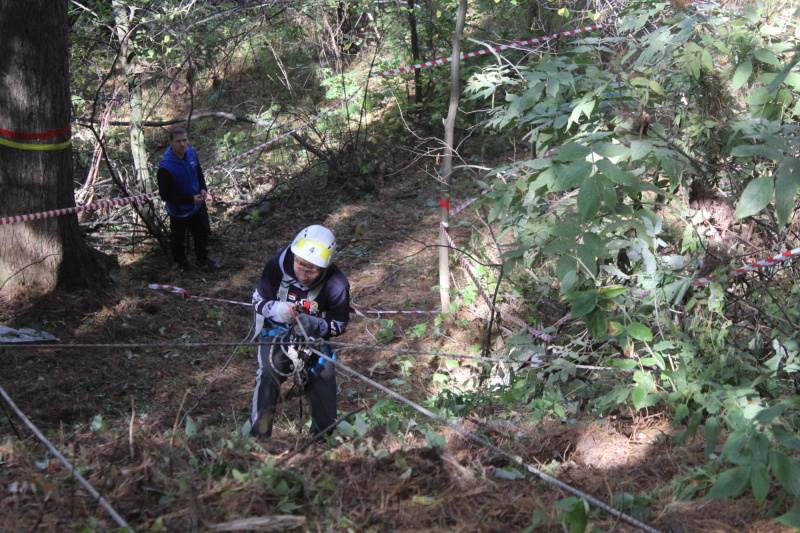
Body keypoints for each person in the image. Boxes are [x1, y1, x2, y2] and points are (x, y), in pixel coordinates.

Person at [250, 225, 350, 439]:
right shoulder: (277, 266)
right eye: (300, 266)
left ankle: (321, 439)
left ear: (324, 267)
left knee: (323, 379)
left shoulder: (336, 284)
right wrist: (277, 310)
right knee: (269, 373)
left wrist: (314, 324)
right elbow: (258, 300)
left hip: (314, 340)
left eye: (312, 270)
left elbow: (339, 324)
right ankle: (259, 436)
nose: (304, 275)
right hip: (276, 333)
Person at [157, 126, 222, 274]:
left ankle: (202, 260)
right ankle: (182, 265)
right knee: (178, 239)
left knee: (202, 233)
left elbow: (198, 172)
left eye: (185, 140)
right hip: (179, 210)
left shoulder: (191, 152)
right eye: (178, 141)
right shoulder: (165, 167)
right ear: (171, 142)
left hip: (198, 205)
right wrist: (189, 200)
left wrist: (203, 188)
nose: (183, 144)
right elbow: (165, 195)